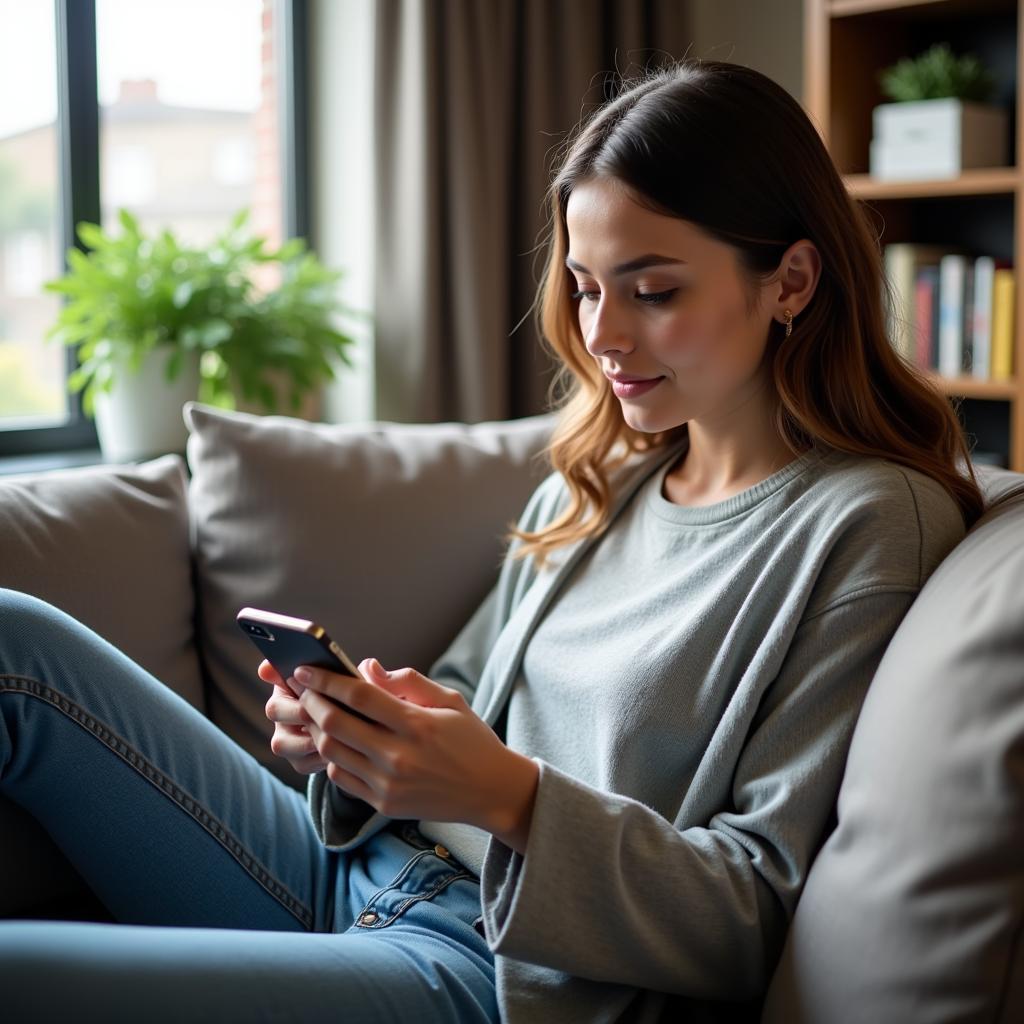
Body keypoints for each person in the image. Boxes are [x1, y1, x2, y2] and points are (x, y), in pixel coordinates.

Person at [0, 59, 985, 1023]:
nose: (602, 335)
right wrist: (362, 738)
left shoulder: (863, 525)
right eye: (587, 287)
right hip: (360, 864)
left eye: (652, 291)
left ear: (792, 280)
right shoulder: (605, 473)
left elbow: (754, 913)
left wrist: (510, 798)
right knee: (16, 641)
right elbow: (468, 690)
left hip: (498, 967)